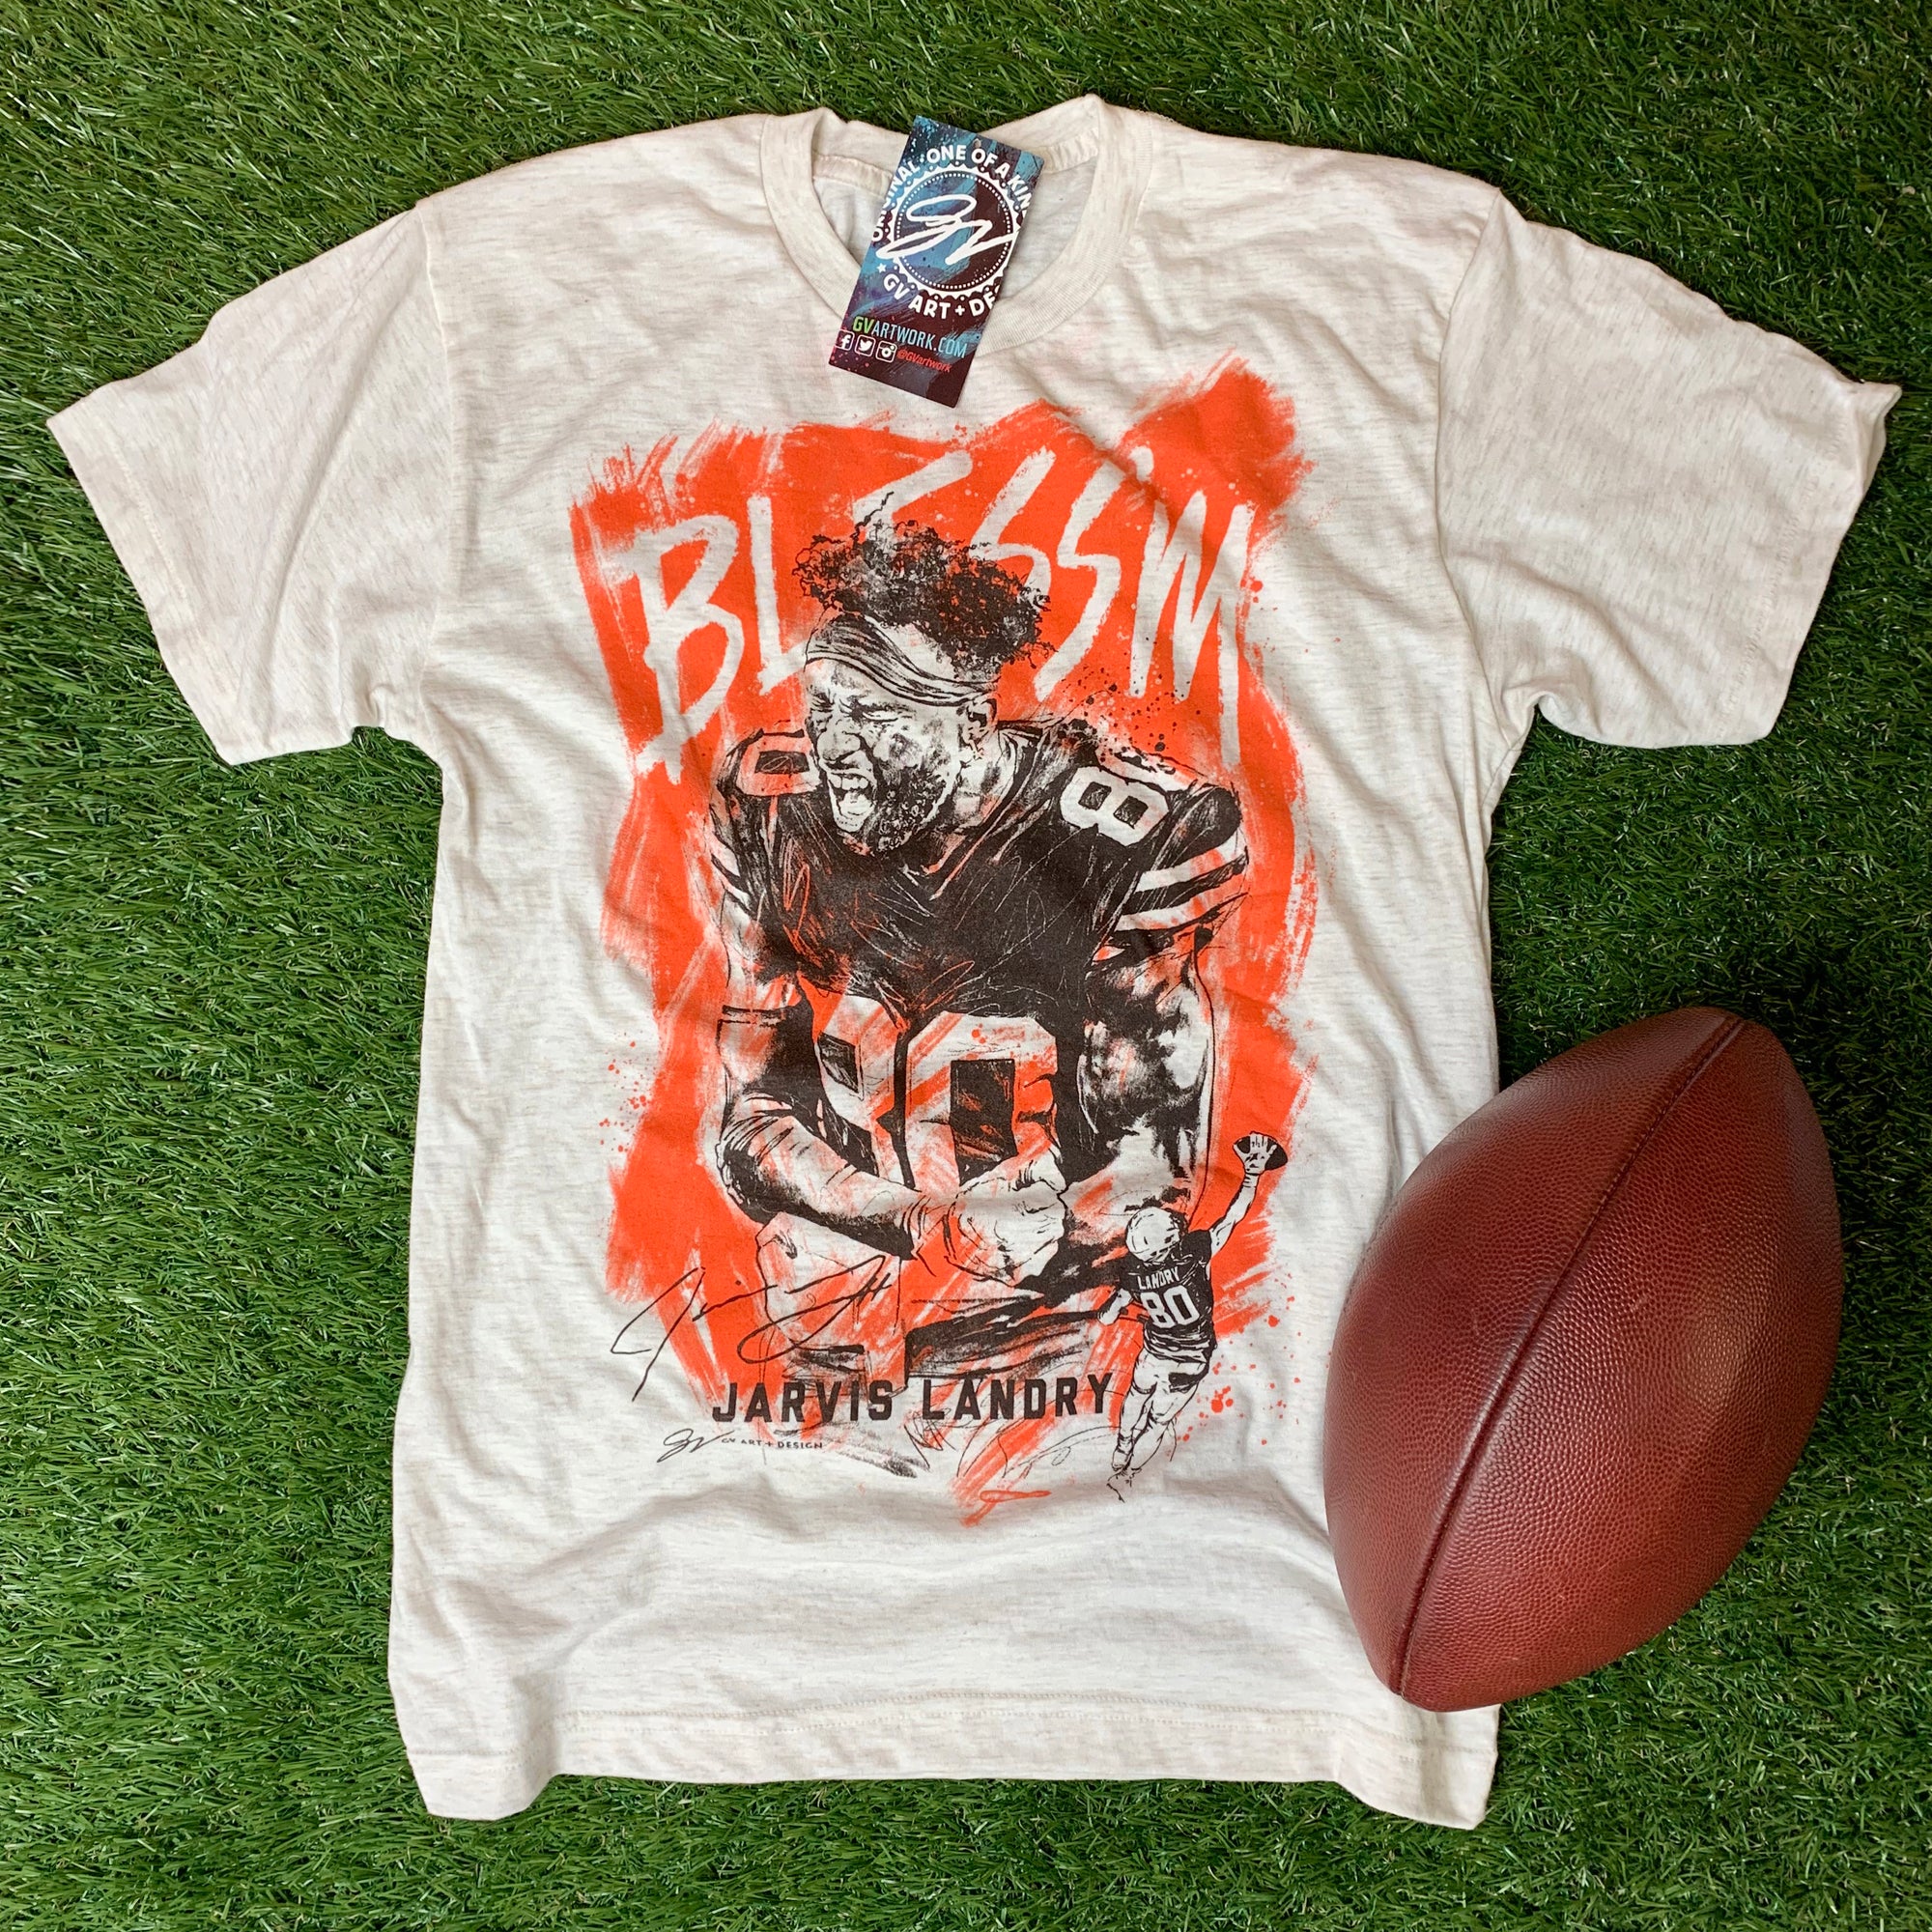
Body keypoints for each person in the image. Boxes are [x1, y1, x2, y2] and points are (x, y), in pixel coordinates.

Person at [706, 516, 1251, 1381]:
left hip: (1035, 1328)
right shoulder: (770, 810)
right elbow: (749, 1118)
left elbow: (1155, 1162)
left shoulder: (1128, 841)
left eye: (875, 715)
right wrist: (923, 1224)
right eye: (825, 707)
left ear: (972, 722)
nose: (835, 747)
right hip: (824, 1306)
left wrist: (1049, 1228)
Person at [1102, 1131, 1285, 1492]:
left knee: (1137, 1395)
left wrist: (1115, 1308)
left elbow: (1108, 1315)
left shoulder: (1134, 1270)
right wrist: (1250, 1177)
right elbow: (1232, 1217)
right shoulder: (1194, 1254)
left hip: (1154, 1352)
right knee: (1157, 1422)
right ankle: (1126, 1475)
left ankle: (1122, 1448)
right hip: (1190, 1357)